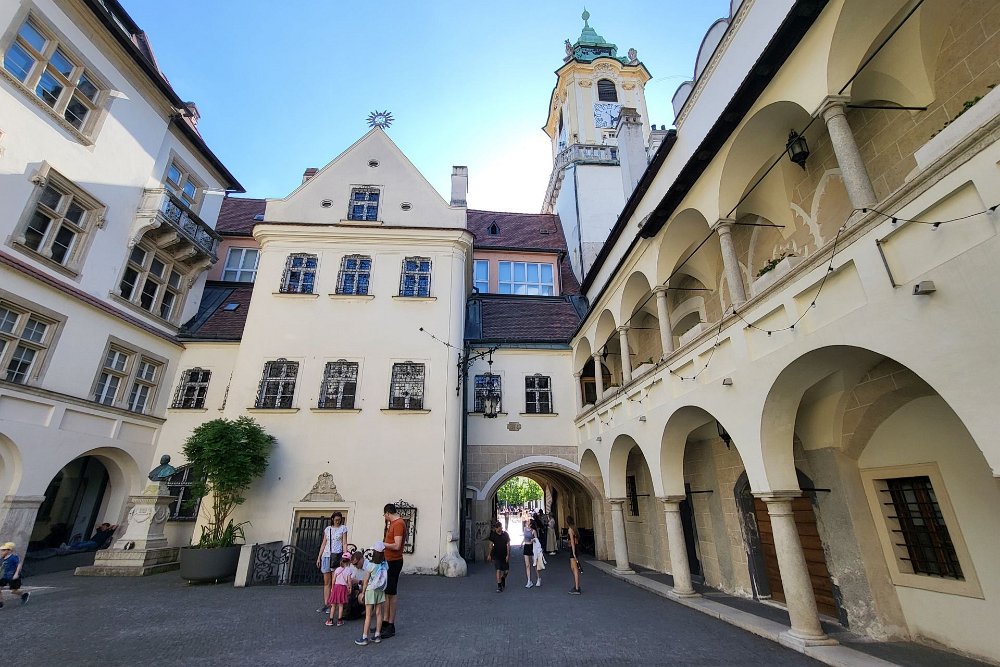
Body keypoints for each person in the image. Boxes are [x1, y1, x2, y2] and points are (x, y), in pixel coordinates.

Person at [355, 541, 388, 646]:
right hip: (380, 590)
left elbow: (366, 581)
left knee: (368, 615)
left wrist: (363, 592)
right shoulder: (384, 564)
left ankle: (365, 637)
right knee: (379, 613)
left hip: (370, 590)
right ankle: (377, 635)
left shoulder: (371, 565)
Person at [315, 511, 348, 613]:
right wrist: (319, 557)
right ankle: (326, 604)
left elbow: (344, 543)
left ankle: (333, 605)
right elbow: (323, 543)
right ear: (332, 519)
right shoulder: (328, 529)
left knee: (334, 582)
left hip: (336, 556)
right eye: (336, 519)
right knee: (327, 582)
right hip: (326, 556)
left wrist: (345, 555)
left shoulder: (343, 528)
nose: (337, 521)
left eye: (339, 520)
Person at [382, 503, 406, 639]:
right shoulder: (394, 523)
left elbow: (397, 545)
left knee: (391, 593)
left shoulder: (398, 524)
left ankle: (391, 625)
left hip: (394, 562)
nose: (385, 518)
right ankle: (385, 622)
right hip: (389, 561)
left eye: (385, 515)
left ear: (387, 513)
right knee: (387, 593)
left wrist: (383, 544)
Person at [326, 553, 353, 627]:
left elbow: (333, 579)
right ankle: (339, 620)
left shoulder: (337, 569)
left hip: (336, 587)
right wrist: (350, 588)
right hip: (343, 588)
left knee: (333, 605)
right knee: (341, 605)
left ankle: (330, 620)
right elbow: (349, 581)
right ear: (349, 561)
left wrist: (332, 587)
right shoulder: (349, 570)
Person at [0, 542, 28, 607]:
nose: (1, 551)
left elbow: (19, 565)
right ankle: (0, 603)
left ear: (9, 551)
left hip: (13, 577)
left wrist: (16, 574)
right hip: (5, 576)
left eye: (4, 550)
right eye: (2, 550)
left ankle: (24, 595)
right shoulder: (2, 558)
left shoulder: (13, 557)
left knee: (13, 591)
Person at [485, 520, 510, 592]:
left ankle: (503, 578)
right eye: (496, 528)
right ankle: (499, 586)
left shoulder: (505, 534)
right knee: (498, 570)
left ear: (501, 527)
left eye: (498, 528)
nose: (497, 529)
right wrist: (489, 554)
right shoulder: (493, 535)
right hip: (496, 555)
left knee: (506, 571)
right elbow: (490, 545)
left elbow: (508, 545)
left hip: (504, 555)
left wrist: (508, 555)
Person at [566, 515, 582, 595]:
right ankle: (577, 585)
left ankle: (577, 588)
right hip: (575, 548)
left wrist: (573, 553)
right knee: (573, 568)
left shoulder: (570, 530)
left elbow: (572, 541)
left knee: (574, 568)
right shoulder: (574, 528)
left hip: (573, 549)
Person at [521, 519, 538, 588]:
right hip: (526, 547)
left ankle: (538, 578)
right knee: (527, 565)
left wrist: (533, 540)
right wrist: (522, 543)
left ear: (530, 524)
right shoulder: (525, 529)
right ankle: (529, 581)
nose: (526, 522)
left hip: (532, 547)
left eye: (528, 521)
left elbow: (536, 540)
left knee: (535, 564)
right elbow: (525, 537)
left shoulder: (533, 531)